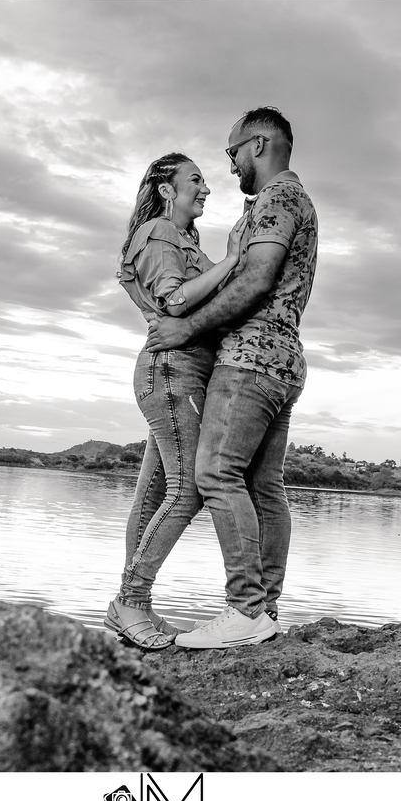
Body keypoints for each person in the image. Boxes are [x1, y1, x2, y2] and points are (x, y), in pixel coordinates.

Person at [145, 107, 318, 650]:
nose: (230, 165)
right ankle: (264, 610)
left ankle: (244, 609)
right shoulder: (289, 201)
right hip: (283, 360)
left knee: (216, 473)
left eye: (233, 152)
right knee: (264, 487)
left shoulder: (278, 199)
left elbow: (259, 277)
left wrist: (186, 328)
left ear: (258, 144)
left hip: (250, 358)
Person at [105, 152, 247, 651]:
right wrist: (231, 261)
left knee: (154, 494)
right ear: (167, 190)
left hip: (180, 373)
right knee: (187, 490)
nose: (206, 188)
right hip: (172, 372)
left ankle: (134, 607)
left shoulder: (182, 238)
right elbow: (174, 299)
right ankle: (130, 600)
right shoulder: (160, 232)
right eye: (195, 180)